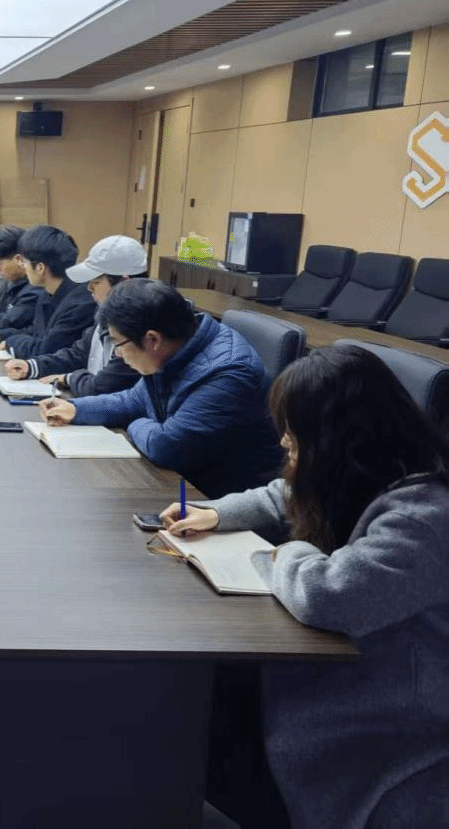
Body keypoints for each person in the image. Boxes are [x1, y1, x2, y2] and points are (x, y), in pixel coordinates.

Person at [159, 346, 449, 829]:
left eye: (294, 434)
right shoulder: (374, 466)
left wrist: (287, 553)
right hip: (341, 666)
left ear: (339, 439)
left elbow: (328, 596)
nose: (284, 441)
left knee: (195, 716)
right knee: (191, 697)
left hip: (385, 712)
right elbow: (285, 493)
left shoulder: (425, 518)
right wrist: (216, 513)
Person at [40, 278, 282, 498]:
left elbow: (165, 447)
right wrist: (76, 408)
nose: (118, 354)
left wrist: (133, 423)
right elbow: (133, 400)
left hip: (222, 501)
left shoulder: (226, 374)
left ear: (152, 339)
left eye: (119, 344)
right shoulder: (175, 349)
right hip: (187, 483)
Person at [6, 234, 146, 396]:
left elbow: (104, 386)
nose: (89, 289)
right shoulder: (105, 313)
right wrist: (32, 366)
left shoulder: (137, 324)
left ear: (124, 283)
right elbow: (78, 354)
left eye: (96, 282)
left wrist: (68, 379)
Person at [0, 225, 95, 360]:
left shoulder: (79, 303)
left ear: (40, 268)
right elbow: (35, 331)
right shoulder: (48, 292)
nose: (22, 266)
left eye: (24, 262)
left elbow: (45, 349)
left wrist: (10, 343)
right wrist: (1, 336)